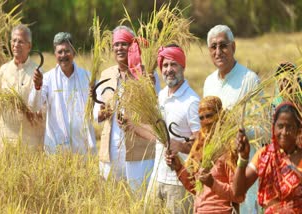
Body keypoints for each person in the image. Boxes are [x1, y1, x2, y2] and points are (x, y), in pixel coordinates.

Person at [93, 26, 161, 191]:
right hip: (110, 153)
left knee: (137, 199)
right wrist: (101, 113)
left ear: (133, 46)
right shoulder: (106, 74)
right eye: (116, 44)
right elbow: (96, 111)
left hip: (139, 154)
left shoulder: (147, 75)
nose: (119, 48)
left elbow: (156, 110)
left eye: (124, 44)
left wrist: (149, 87)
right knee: (110, 200)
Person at [203, 24, 260, 213]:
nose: (218, 51)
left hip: (242, 170)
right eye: (213, 47)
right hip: (218, 173)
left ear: (233, 47)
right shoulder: (209, 82)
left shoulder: (249, 80)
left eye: (223, 45)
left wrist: (236, 129)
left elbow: (262, 129)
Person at [166, 96, 245, 213]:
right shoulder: (199, 147)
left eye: (209, 115)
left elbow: (238, 196)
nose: (206, 121)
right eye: (201, 118)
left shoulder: (229, 149)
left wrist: (213, 183)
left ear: (220, 116)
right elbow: (196, 189)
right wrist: (178, 168)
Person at [145, 44, 200, 214]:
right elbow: (157, 136)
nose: (169, 69)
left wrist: (181, 146)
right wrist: (130, 125)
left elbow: (202, 143)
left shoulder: (192, 101)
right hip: (156, 177)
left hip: (179, 183)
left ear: (183, 66)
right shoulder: (161, 96)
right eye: (165, 65)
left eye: (173, 64)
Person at [28, 32, 96, 155]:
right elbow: (33, 106)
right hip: (56, 150)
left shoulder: (87, 77)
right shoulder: (48, 78)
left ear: (74, 52)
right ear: (55, 55)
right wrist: (37, 86)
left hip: (83, 150)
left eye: (67, 51)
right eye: (60, 52)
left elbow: (96, 111)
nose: (63, 55)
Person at [0, 24, 45, 155]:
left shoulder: (37, 72)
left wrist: (37, 86)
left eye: (21, 41)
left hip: (30, 145)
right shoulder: (3, 71)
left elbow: (41, 109)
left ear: (29, 46)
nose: (16, 44)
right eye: (14, 40)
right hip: (5, 143)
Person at [233, 102, 302, 213]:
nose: (284, 132)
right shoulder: (264, 155)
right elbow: (238, 191)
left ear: (298, 129)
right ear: (273, 128)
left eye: (289, 127)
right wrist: (243, 158)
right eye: (280, 126)